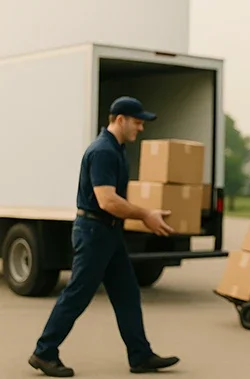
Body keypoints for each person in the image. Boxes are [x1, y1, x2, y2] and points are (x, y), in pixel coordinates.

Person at [28, 96, 180, 377]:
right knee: (77, 294)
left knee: (126, 293)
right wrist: (145, 214)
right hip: (95, 232)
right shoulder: (103, 152)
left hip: (108, 232)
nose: (141, 128)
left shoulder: (116, 149)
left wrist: (142, 214)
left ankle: (140, 355)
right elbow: (107, 200)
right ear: (119, 119)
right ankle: (44, 352)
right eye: (137, 122)